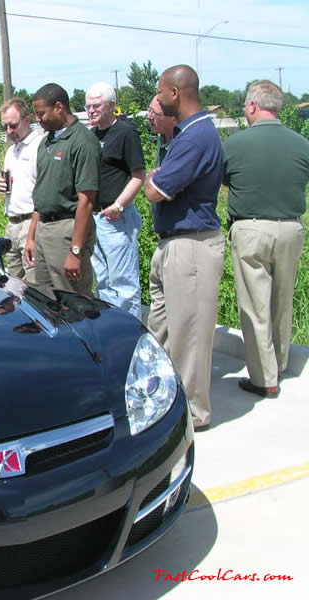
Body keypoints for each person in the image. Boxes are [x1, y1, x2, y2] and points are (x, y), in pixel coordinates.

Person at [143, 65, 224, 431]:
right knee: (161, 330)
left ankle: (192, 414)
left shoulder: (194, 137)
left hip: (191, 246)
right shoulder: (186, 135)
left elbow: (155, 191)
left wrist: (151, 180)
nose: (157, 100)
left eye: (160, 93)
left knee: (189, 337)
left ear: (175, 93)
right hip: (173, 245)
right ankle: (164, 401)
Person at [223, 80, 309, 398]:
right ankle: (281, 363)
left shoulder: (235, 144)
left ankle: (264, 378)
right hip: (291, 228)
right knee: (282, 301)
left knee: (255, 306)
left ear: (252, 106)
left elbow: (221, 180)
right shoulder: (301, 143)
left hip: (251, 229)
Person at [24, 83, 101, 297]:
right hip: (43, 229)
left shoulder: (82, 142)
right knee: (46, 301)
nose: (38, 119)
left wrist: (75, 251)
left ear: (59, 107)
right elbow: (42, 193)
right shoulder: (46, 142)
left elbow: (86, 200)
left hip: (66, 230)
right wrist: (32, 237)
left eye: (41, 113)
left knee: (72, 302)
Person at [85, 82, 145, 318]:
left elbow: (138, 175)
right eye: (88, 106)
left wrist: (119, 205)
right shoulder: (91, 136)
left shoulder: (125, 133)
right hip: (95, 218)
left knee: (124, 284)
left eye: (97, 105)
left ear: (112, 106)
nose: (91, 111)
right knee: (103, 282)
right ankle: (111, 327)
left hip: (117, 219)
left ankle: (129, 337)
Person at [0, 97, 42, 284]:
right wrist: (3, 187)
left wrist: (33, 230)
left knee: (34, 283)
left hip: (31, 221)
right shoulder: (11, 151)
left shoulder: (39, 146)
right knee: (13, 284)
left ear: (27, 119)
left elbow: (43, 191)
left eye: (13, 126)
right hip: (12, 222)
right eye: (5, 127)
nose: (9, 132)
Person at [147, 96, 177, 166]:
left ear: (172, 117)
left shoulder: (184, 145)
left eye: (155, 113)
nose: (149, 117)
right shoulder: (161, 137)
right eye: (149, 110)